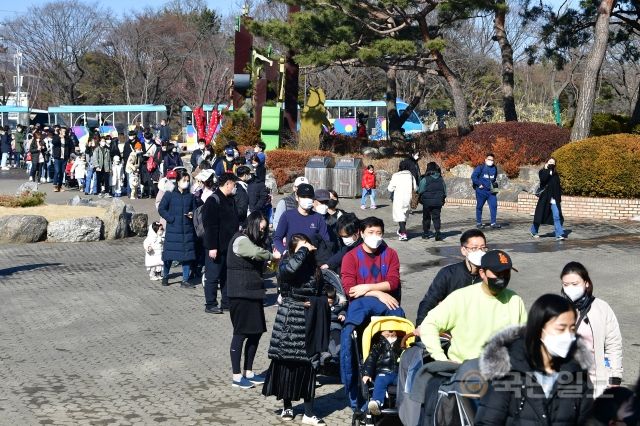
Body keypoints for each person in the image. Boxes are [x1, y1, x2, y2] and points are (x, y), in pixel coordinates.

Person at [475, 294, 593, 425]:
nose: (568, 336)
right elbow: (487, 421)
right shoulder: (510, 371)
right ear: (539, 329)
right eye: (561, 328)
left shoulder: (577, 373)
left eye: (572, 329)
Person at [262, 233, 329, 425]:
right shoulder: (285, 265)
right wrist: (301, 250)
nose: (305, 250)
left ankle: (308, 413)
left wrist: (318, 302)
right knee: (286, 365)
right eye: (300, 248)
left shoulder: (315, 270)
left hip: (308, 322)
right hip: (289, 321)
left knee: (308, 367)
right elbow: (290, 271)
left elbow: (322, 292)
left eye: (306, 246)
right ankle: (287, 406)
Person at [418, 249, 527, 362]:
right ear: (482, 273)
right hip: (465, 371)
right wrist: (441, 359)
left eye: (506, 273)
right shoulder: (461, 298)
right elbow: (429, 324)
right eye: (498, 273)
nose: (503, 278)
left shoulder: (514, 300)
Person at [227, 212, 279, 389]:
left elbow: (262, 265)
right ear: (253, 225)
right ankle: (236, 375)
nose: (263, 232)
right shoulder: (240, 240)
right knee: (240, 333)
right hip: (240, 293)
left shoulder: (254, 241)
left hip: (254, 292)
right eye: (261, 228)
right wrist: (272, 256)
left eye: (265, 230)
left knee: (256, 332)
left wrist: (271, 265)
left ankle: (248, 371)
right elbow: (256, 253)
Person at [560, 261, 623, 397]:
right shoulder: (558, 310)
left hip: (597, 384)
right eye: (566, 285)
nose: (570, 288)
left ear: (586, 283)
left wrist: (615, 377)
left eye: (575, 284)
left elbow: (614, 345)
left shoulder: (602, 308)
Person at [415, 229, 487, 326]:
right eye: (474, 248)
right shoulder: (448, 274)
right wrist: (421, 327)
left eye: (482, 248)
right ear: (463, 250)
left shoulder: (489, 275)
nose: (479, 252)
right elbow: (429, 302)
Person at [341, 217, 401, 309]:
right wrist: (378, 294)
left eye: (378, 233)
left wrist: (367, 287)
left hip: (387, 304)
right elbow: (350, 289)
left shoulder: (390, 254)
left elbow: (393, 283)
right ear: (361, 233)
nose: (375, 236)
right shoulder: (350, 257)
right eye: (370, 232)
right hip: (360, 305)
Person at [202, 173, 240, 314]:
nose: (235, 187)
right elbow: (210, 226)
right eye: (234, 184)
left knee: (226, 275)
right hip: (216, 246)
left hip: (228, 245)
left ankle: (226, 302)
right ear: (228, 184)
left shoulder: (230, 199)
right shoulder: (213, 200)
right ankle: (210, 303)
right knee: (213, 275)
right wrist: (212, 247)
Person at [157, 168, 198, 288]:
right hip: (173, 229)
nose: (186, 182)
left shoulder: (190, 196)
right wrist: (171, 219)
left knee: (187, 256)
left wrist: (192, 214)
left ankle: (185, 280)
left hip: (187, 230)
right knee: (169, 255)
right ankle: (165, 276)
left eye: (187, 180)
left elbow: (195, 209)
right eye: (184, 180)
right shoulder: (169, 195)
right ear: (178, 181)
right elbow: (161, 209)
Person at [272, 184, 330, 258]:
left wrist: (320, 259)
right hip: (291, 261)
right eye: (303, 197)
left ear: (313, 199)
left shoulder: (318, 218)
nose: (307, 199)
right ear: (297, 197)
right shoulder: (287, 216)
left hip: (312, 261)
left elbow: (326, 241)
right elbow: (277, 238)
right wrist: (284, 252)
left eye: (309, 197)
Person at [362, 328, 403, 415]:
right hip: (383, 372)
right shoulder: (378, 345)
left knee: (405, 382)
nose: (390, 337)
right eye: (387, 335)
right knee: (380, 382)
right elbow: (371, 359)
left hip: (398, 373)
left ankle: (404, 403)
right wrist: (367, 373)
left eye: (393, 336)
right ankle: (377, 401)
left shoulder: (401, 345)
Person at [531, 157, 566, 240]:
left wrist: (558, 200)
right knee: (540, 216)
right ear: (546, 163)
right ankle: (534, 231)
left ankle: (559, 234)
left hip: (554, 199)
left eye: (553, 163)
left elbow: (558, 188)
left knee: (557, 216)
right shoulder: (542, 172)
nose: (551, 164)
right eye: (550, 162)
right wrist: (547, 170)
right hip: (545, 198)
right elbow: (543, 180)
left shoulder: (556, 174)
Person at [387, 162, 417, 241]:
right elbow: (416, 188)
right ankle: (401, 230)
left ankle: (403, 234)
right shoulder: (411, 176)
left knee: (400, 216)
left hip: (399, 199)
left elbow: (390, 188)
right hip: (408, 199)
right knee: (404, 216)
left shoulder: (396, 175)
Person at [417, 161, 446, 240]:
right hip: (438, 202)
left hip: (427, 202)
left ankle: (426, 233)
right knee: (436, 217)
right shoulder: (441, 179)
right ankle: (437, 233)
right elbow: (444, 191)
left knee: (426, 217)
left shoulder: (425, 179)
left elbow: (420, 190)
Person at [471, 153, 501, 229]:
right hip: (481, 191)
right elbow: (473, 176)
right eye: (489, 159)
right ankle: (479, 222)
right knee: (479, 206)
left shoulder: (495, 168)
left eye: (492, 160)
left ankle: (493, 223)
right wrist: (479, 184)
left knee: (494, 206)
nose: (491, 161)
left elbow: (494, 178)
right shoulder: (480, 167)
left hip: (491, 192)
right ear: (485, 160)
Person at [51, 127, 72, 192]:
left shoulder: (67, 138)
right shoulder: (56, 137)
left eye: (65, 131)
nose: (64, 132)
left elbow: (71, 147)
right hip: (57, 157)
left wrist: (70, 155)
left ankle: (60, 186)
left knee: (62, 172)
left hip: (65, 158)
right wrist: (60, 137)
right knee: (57, 171)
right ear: (60, 131)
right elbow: (54, 142)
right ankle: (55, 185)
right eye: (63, 131)